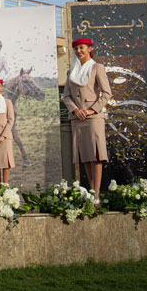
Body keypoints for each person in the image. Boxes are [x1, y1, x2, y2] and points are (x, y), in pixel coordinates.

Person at [61, 38, 112, 197]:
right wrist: (75, 110)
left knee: (95, 156)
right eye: (76, 48)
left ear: (90, 48)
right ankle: (91, 192)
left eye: (81, 47)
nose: (78, 51)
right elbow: (66, 96)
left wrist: (91, 110)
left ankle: (96, 195)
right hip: (77, 119)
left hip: (93, 119)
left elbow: (107, 94)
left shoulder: (97, 68)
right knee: (85, 157)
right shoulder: (71, 72)